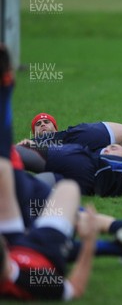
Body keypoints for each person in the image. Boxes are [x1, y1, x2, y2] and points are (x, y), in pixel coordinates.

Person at [1, 45, 98, 300]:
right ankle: (6, 85)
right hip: (45, 247)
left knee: (4, 171)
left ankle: (6, 86)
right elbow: (74, 289)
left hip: (13, 241)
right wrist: (89, 242)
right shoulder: (34, 282)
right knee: (68, 189)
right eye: (39, 124)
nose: (44, 125)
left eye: (47, 122)